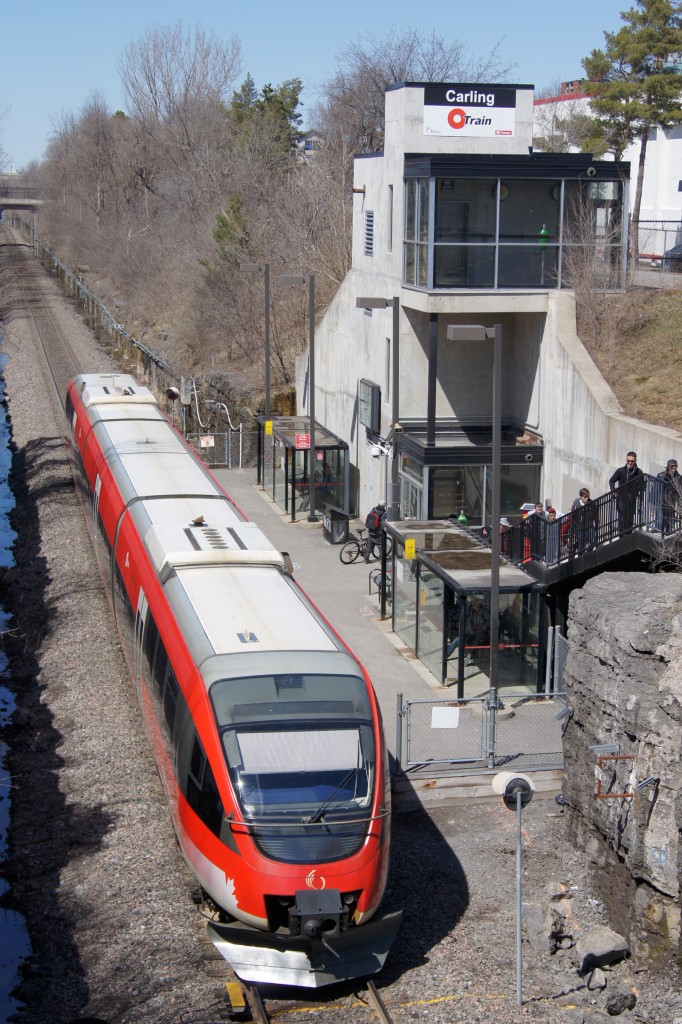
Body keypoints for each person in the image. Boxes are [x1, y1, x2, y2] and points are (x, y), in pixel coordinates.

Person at [447, 595, 490, 664]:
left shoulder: (484, 612)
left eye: (474, 605)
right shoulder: (473, 611)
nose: (473, 607)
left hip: (481, 633)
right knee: (459, 639)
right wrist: (470, 629)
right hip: (472, 631)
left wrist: (485, 626)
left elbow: (490, 622)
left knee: (473, 641)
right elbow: (469, 620)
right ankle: (447, 653)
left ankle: (469, 659)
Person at [609, 452, 644, 535]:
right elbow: (611, 480)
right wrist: (613, 491)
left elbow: (642, 485)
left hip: (632, 500)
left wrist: (639, 496)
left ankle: (628, 535)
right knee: (621, 518)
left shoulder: (639, 472)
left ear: (635, 461)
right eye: (628, 461)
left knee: (630, 519)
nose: (630, 463)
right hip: (621, 498)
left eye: (632, 461)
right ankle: (621, 536)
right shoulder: (621, 471)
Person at [657, 459, 682, 535]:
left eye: (675, 466)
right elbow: (656, 488)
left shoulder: (679, 477)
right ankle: (661, 532)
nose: (673, 468)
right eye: (672, 466)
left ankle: (669, 532)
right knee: (662, 516)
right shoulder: (661, 475)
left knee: (671, 517)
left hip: (673, 500)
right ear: (668, 467)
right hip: (662, 499)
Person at [569, 487, 598, 554]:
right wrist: (575, 527)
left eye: (587, 497)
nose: (587, 498)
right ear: (581, 496)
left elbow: (595, 515)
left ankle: (587, 554)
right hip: (580, 528)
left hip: (589, 526)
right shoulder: (576, 505)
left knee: (594, 541)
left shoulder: (591, 504)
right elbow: (573, 517)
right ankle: (581, 556)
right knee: (581, 547)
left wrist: (595, 525)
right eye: (585, 497)